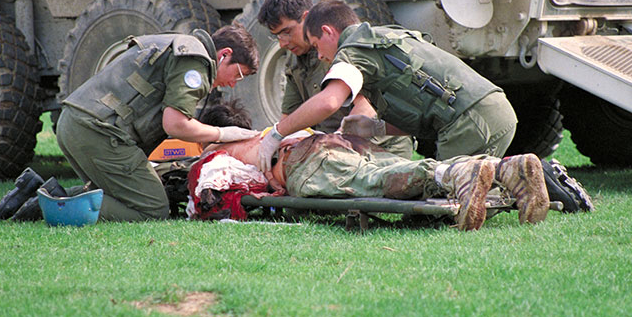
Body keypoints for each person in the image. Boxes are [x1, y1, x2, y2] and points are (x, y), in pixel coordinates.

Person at [0, 24, 260, 223]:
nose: (234, 83)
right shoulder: (196, 61)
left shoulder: (176, 45)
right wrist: (224, 133)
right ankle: (48, 205)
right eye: (238, 74)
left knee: (118, 196)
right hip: (98, 132)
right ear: (224, 55)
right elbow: (175, 125)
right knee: (152, 208)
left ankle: (35, 193)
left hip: (76, 123)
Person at [191, 102, 555, 230]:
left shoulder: (217, 154)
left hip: (305, 165)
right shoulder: (261, 132)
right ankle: (505, 168)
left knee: (378, 181)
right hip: (324, 143)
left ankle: (456, 174)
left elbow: (211, 193)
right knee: (392, 166)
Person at [257, 0, 518, 172]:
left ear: (328, 32)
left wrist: (276, 133)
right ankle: (533, 175)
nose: (321, 56)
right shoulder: (383, 36)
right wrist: (375, 127)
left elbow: (329, 101)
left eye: (316, 46)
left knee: (439, 203)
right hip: (493, 109)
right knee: (481, 186)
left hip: (468, 122)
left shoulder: (354, 47)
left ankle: (536, 176)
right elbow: (419, 107)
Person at [257, 0, 414, 158]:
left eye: (287, 32)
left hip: (379, 150)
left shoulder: (345, 50)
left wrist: (336, 143)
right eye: (278, 36)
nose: (282, 43)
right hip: (336, 149)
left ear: (306, 18)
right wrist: (277, 139)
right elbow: (289, 118)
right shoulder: (294, 61)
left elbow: (366, 108)